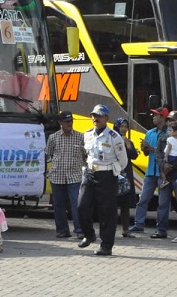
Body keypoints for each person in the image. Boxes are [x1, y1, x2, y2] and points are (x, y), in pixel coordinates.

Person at [77, 104, 128, 256]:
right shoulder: (87, 134)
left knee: (107, 212)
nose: (95, 118)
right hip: (90, 173)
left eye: (99, 116)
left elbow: (123, 160)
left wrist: (113, 172)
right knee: (81, 205)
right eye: (93, 115)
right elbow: (86, 154)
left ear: (106, 118)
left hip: (107, 176)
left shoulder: (114, 137)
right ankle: (89, 234)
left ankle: (106, 245)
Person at [128, 106, 169, 236]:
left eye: (156, 116)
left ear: (162, 118)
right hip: (150, 172)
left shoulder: (169, 134)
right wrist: (144, 148)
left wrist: (150, 147)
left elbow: (165, 152)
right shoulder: (149, 133)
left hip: (163, 173)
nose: (153, 117)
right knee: (143, 199)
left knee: (163, 203)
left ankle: (161, 229)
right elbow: (146, 154)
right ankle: (138, 224)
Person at [45, 111, 85, 239]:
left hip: (75, 175)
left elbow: (86, 154)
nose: (70, 123)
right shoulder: (53, 137)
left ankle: (79, 230)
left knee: (76, 202)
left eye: (71, 121)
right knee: (58, 205)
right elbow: (49, 154)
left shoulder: (80, 137)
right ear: (60, 123)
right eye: (67, 121)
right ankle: (62, 230)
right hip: (57, 176)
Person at [151, 109, 177, 239]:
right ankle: (161, 230)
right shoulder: (163, 137)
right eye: (170, 120)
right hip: (164, 175)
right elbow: (158, 154)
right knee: (163, 204)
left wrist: (173, 165)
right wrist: (163, 165)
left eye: (175, 120)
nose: (172, 122)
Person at [114, 118, 139, 237]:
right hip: (114, 173)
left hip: (126, 174)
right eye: (121, 126)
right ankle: (110, 229)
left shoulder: (128, 141)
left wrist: (128, 143)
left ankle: (126, 229)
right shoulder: (112, 139)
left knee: (125, 204)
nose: (123, 129)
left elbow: (133, 155)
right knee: (112, 203)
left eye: (125, 126)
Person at [161, 119, 177, 189]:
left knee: (163, 171)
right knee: (171, 169)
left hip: (171, 157)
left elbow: (168, 149)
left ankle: (165, 181)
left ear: (176, 132)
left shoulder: (170, 139)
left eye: (170, 130)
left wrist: (165, 156)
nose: (168, 132)